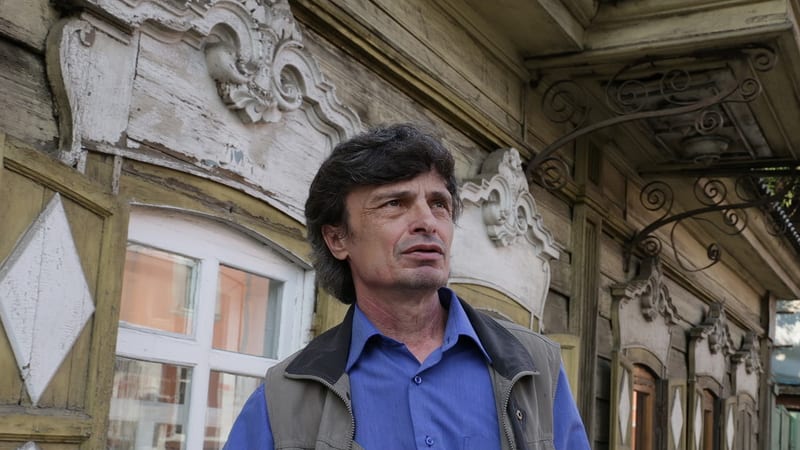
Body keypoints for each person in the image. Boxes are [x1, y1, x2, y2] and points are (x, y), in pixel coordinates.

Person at [224, 123, 591, 449]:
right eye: (395, 203)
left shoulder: (535, 367)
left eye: (439, 204)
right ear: (338, 239)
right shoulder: (284, 397)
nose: (427, 222)